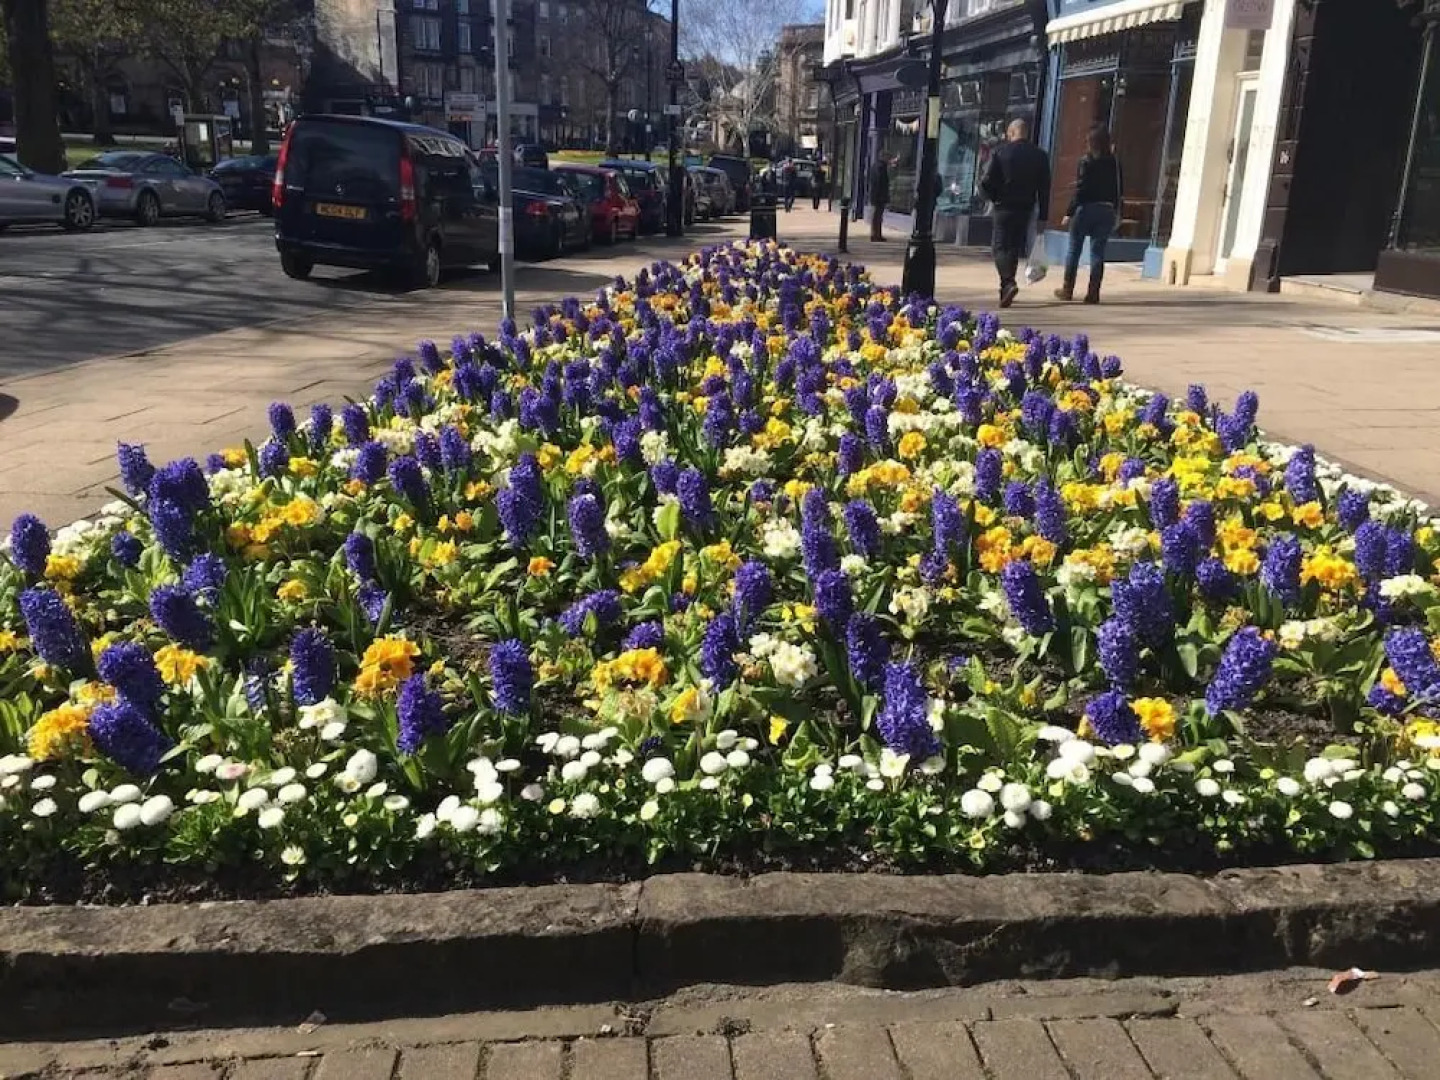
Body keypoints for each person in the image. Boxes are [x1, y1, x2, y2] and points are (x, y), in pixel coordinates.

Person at [979, 118, 1051, 308]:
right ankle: (1005, 288)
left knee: (999, 247)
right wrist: (1043, 216)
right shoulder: (1040, 156)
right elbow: (1045, 189)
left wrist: (992, 197)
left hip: (1004, 206)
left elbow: (986, 181)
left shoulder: (1001, 152)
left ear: (1011, 133)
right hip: (1025, 208)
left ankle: (1008, 282)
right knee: (1012, 248)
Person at [1056, 125, 1122, 304]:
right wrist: (1116, 210)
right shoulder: (1114, 163)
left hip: (1086, 209)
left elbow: (1081, 189)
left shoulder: (1086, 161)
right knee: (1097, 252)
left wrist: (1069, 212)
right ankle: (1093, 292)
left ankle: (1067, 288)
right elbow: (1118, 189)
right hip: (1106, 210)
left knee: (1074, 249)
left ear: (1090, 143)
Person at [868, 154, 893, 241]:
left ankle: (876, 234)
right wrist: (882, 195)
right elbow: (880, 182)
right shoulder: (881, 168)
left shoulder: (875, 166)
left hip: (875, 195)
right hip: (879, 196)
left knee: (876, 216)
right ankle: (876, 235)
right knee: (877, 216)